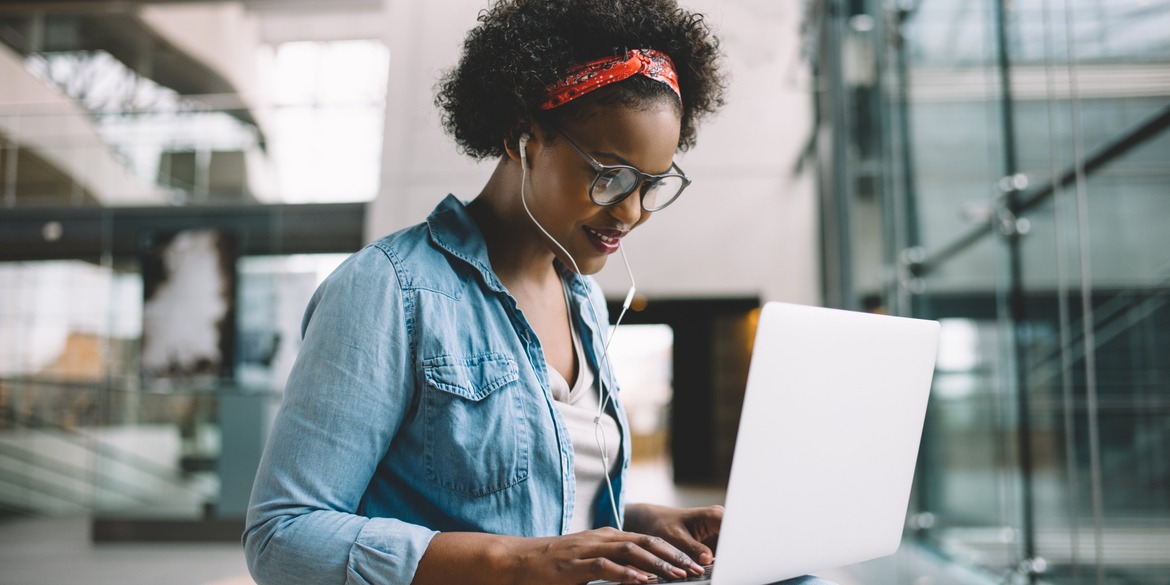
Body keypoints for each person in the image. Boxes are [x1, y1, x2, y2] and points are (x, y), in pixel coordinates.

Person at [244, 1, 833, 584]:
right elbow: (283, 536)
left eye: (652, 185)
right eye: (609, 176)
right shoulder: (388, 291)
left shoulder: (581, 300)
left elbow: (541, 508)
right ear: (522, 138)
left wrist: (642, 527)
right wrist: (517, 563)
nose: (630, 213)